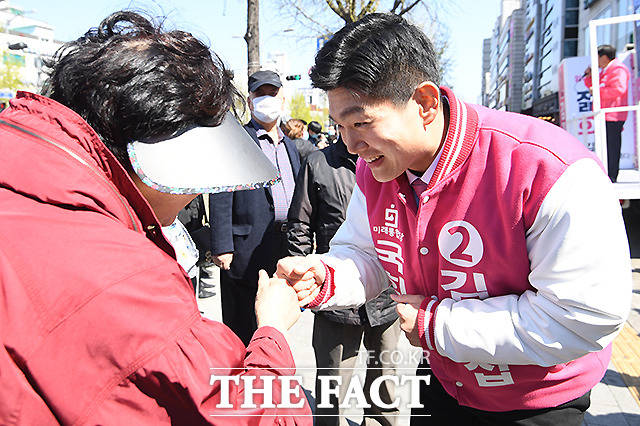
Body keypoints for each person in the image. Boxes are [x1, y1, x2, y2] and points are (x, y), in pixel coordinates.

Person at [277, 13, 631, 425]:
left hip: (535, 400)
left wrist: (436, 325)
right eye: (341, 127)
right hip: (445, 379)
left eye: (362, 123)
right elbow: (366, 250)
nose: (352, 146)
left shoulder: (544, 169)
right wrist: (326, 277)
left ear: (425, 104)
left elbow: (583, 317)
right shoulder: (377, 171)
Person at [0, 12, 311, 424]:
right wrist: (273, 331)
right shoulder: (127, 278)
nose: (199, 190)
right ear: (156, 152)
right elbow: (258, 416)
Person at [287, 135, 401, 425]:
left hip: (386, 296)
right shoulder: (318, 162)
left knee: (385, 378)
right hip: (335, 295)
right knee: (333, 383)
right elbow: (300, 223)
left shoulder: (394, 159)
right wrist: (299, 278)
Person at [209, 70, 301, 345]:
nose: (266, 100)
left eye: (272, 94)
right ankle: (241, 382)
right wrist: (222, 244)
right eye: (260, 94)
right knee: (241, 326)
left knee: (273, 322)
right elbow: (221, 193)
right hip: (243, 249)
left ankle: (269, 375)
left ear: (283, 100)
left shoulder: (291, 147)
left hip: (280, 246)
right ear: (250, 102)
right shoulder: (238, 141)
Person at [584, 44, 630, 182]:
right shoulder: (606, 71)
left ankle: (612, 176)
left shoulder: (618, 69)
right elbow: (592, 86)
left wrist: (598, 92)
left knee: (612, 146)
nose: (596, 61)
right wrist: (589, 76)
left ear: (604, 57)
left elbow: (619, 90)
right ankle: (608, 174)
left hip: (613, 115)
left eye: (597, 58)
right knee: (606, 145)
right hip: (605, 114)